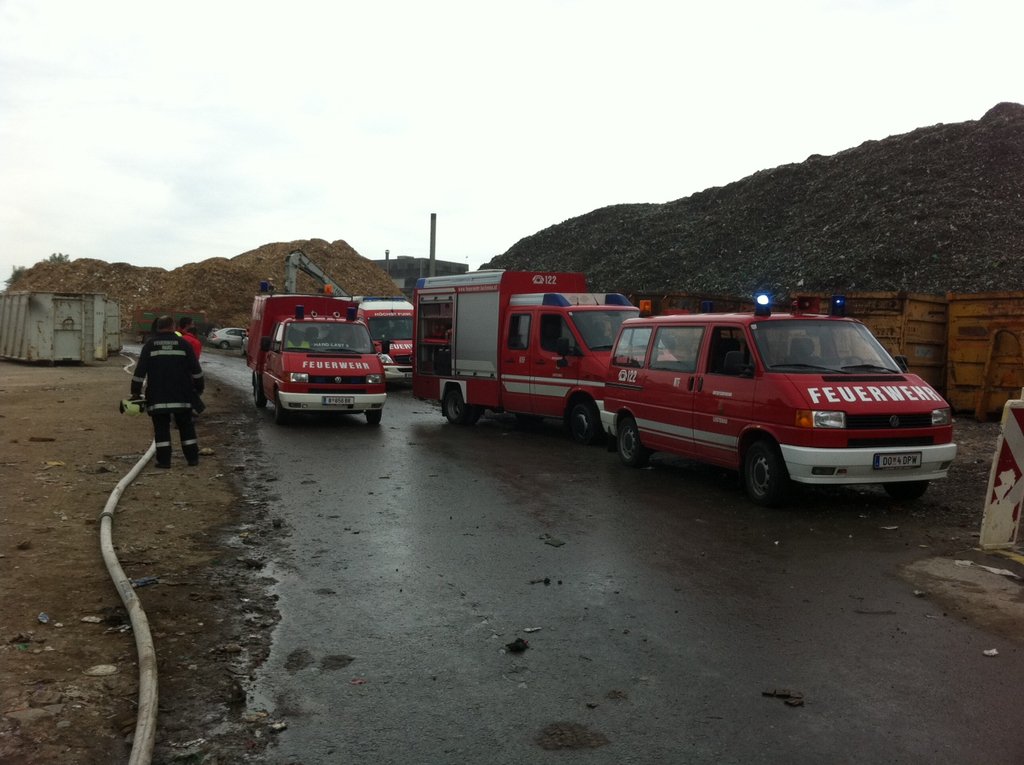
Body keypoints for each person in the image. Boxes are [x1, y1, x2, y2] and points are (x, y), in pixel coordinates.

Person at [130, 315, 204, 468]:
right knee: (186, 428)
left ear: (158, 327)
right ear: (173, 327)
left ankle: (164, 461)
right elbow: (196, 371)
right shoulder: (184, 344)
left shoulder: (150, 345)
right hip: (182, 395)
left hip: (158, 396)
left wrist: (135, 392)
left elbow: (139, 373)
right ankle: (192, 459)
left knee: (161, 430)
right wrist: (198, 389)